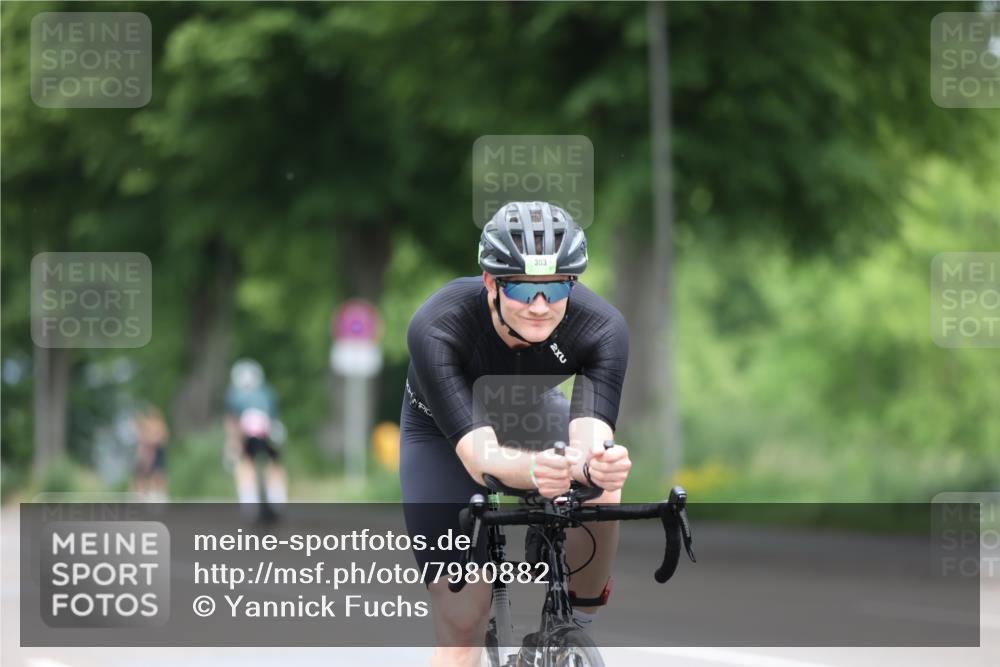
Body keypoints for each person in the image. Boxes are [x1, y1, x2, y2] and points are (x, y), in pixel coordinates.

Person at [401, 201, 632, 667]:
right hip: (443, 435)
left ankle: (572, 630)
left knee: (603, 486)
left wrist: (595, 466)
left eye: (557, 286)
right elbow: (480, 457)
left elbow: (589, 439)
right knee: (463, 620)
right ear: (491, 281)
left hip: (531, 413)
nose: (540, 306)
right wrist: (535, 471)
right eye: (523, 288)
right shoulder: (437, 325)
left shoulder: (602, 327)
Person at [224, 359, 288, 515]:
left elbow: (233, 422)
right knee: (275, 465)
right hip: (268, 432)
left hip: (247, 432)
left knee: (246, 464)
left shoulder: (235, 394)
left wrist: (232, 443)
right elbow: (274, 419)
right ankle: (278, 499)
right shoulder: (267, 392)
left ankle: (249, 502)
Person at [131, 403, 169, 502]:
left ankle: (158, 496)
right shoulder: (147, 426)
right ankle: (140, 497)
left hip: (154, 453)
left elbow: (161, 439)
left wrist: (151, 440)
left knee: (157, 475)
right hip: (145, 455)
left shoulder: (159, 426)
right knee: (141, 476)